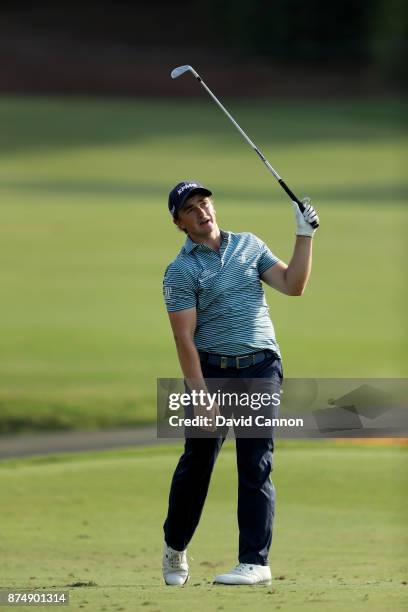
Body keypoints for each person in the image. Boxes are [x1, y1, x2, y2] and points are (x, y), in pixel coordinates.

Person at [161, 180, 319, 586]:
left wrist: (304, 235)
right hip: (211, 372)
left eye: (205, 203)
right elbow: (183, 337)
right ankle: (175, 548)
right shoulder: (181, 270)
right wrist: (201, 395)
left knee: (256, 462)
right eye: (191, 208)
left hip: (260, 368)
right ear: (179, 222)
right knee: (197, 465)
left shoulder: (248, 244)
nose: (202, 212)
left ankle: (255, 561)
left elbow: (293, 285)